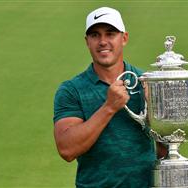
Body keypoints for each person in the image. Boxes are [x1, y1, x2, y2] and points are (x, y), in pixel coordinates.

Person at [53, 7, 166, 188]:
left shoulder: (147, 83)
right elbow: (67, 149)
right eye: (95, 35)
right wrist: (109, 107)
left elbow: (165, 151)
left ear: (124, 38)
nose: (102, 41)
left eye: (110, 33)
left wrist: (158, 115)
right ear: (87, 42)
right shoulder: (71, 90)